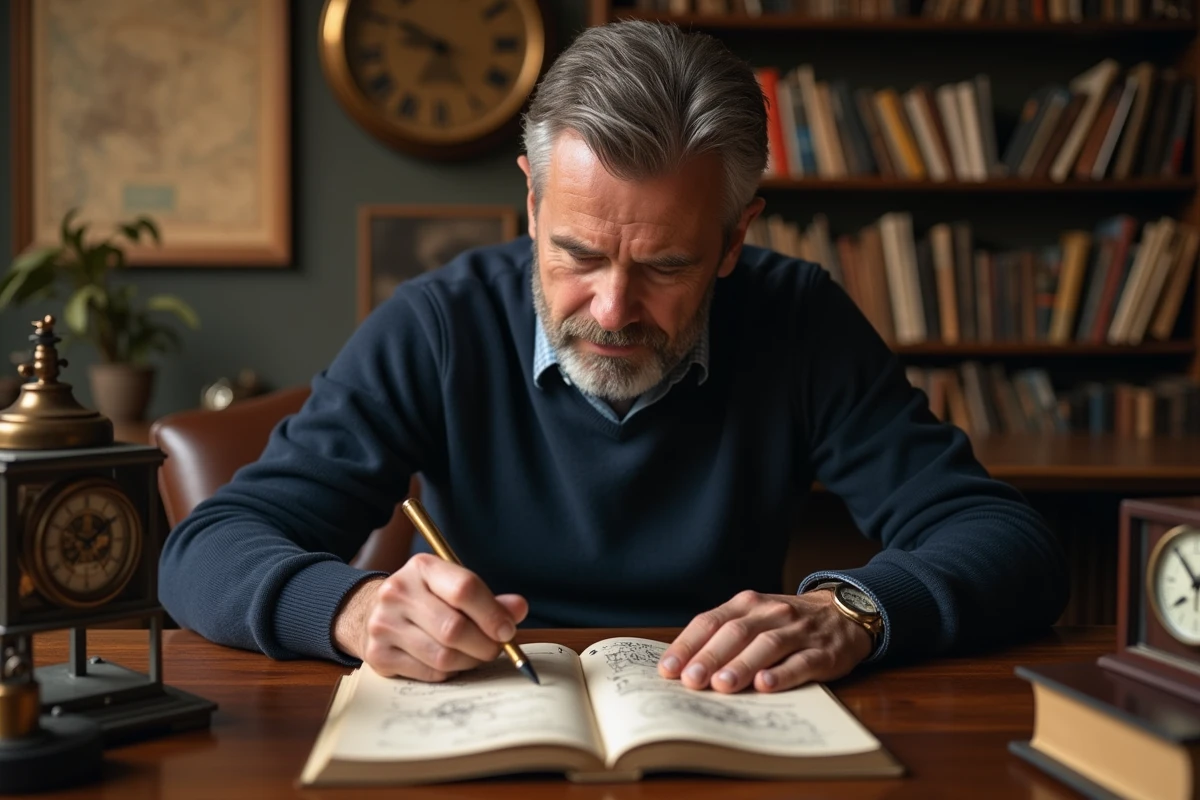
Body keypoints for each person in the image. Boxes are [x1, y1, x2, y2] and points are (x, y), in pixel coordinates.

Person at [160, 20, 1068, 695]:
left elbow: (1012, 544)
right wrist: (350, 610)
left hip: (723, 721)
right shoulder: (437, 325)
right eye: (578, 254)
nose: (613, 309)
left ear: (733, 237)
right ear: (530, 203)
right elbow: (204, 550)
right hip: (484, 724)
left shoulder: (799, 321)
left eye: (667, 264)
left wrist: (855, 612)